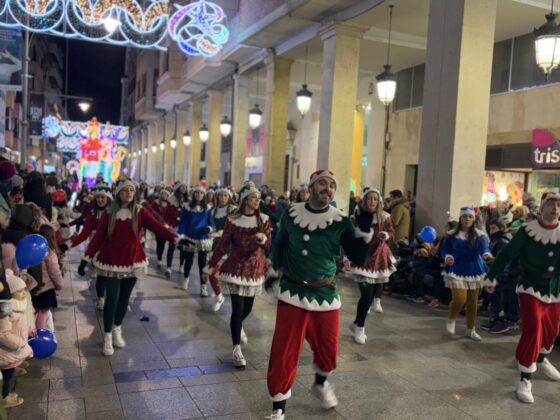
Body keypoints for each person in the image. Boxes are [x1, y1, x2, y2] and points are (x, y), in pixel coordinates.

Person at [265, 169, 373, 420]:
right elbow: (280, 244)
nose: (328, 189)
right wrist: (273, 269)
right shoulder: (292, 214)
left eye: (332, 185)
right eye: (322, 184)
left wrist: (365, 228)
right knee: (284, 351)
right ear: (310, 188)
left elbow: (358, 256)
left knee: (328, 349)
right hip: (292, 291)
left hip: (325, 293)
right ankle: (278, 407)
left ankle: (321, 383)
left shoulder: (339, 220)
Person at [80, 180, 191, 356]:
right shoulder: (108, 214)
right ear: (118, 193)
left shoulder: (140, 211)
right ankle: (107, 336)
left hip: (132, 260)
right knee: (112, 299)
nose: (129, 193)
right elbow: (98, 237)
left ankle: (117, 329)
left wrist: (177, 239)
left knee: (124, 300)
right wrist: (85, 259)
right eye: (125, 190)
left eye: (132, 190)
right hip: (111, 260)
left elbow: (158, 227)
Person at [486, 191, 560, 404]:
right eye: (551, 204)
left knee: (552, 329)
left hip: (556, 289)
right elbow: (507, 254)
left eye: (558, 205)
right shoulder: (527, 231)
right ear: (541, 208)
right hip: (530, 287)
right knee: (533, 328)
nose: (555, 209)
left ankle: (542, 358)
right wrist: (492, 277)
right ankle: (525, 378)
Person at [203, 186, 272, 367]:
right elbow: (223, 245)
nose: (258, 201)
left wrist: (264, 240)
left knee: (247, 309)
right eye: (254, 198)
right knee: (237, 309)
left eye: (259, 198)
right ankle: (236, 349)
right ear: (245, 200)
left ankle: (237, 326)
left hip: (254, 271)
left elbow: (269, 246)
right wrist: (209, 267)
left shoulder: (264, 220)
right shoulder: (233, 220)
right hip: (235, 269)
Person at [344, 187, 395, 344]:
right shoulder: (356, 217)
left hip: (379, 258)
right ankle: (360, 327)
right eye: (369, 198)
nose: (372, 201)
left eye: (375, 199)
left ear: (378, 201)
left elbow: (393, 234)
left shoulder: (385, 217)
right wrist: (346, 257)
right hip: (361, 259)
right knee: (366, 294)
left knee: (371, 294)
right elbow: (348, 239)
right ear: (364, 200)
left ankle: (356, 323)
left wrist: (386, 235)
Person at [442, 207, 493, 341]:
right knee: (459, 299)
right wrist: (447, 256)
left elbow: (484, 249)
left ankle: (471, 330)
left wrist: (487, 255)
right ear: (460, 218)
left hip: (475, 269)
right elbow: (445, 249)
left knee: (472, 301)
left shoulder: (479, 234)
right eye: (465, 217)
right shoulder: (452, 234)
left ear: (473, 219)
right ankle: (451, 318)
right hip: (457, 269)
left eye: (470, 217)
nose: (467, 219)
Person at [60, 183, 112, 310]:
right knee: (102, 274)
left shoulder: (114, 213)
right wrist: (66, 246)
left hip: (113, 248)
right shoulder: (92, 213)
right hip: (96, 247)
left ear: (108, 199)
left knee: (113, 276)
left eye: (103, 197)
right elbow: (84, 234)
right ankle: (101, 298)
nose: (100, 199)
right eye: (98, 197)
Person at [0, 271, 32, 408]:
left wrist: (30, 330)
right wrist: (20, 344)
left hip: (12, 350)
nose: (24, 293)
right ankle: (4, 398)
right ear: (10, 294)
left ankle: (5, 394)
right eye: (19, 291)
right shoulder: (6, 312)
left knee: (9, 373)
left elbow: (21, 325)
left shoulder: (17, 307)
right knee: (6, 376)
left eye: (24, 290)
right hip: (6, 352)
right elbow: (3, 334)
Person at [482, 220, 518, 334]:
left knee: (499, 299)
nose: (491, 230)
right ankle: (496, 319)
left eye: (494, 228)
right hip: (495, 273)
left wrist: (499, 275)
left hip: (501, 275)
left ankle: (501, 322)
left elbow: (504, 260)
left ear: (501, 228)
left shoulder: (502, 241)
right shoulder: (495, 240)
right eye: (490, 228)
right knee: (494, 299)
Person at [178, 186, 214, 295]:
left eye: (201, 193)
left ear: (204, 195)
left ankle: (203, 286)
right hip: (190, 236)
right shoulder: (187, 207)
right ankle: (186, 278)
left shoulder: (207, 208)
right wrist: (180, 235)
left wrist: (209, 228)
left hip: (203, 237)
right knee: (188, 260)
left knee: (202, 263)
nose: (199, 195)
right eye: (197, 193)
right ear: (193, 194)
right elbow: (183, 222)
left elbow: (211, 222)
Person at [206, 188, 237, 311]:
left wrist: (219, 233)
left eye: (225, 196)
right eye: (221, 196)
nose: (223, 198)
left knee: (233, 276)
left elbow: (235, 229)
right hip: (217, 246)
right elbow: (211, 225)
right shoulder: (213, 211)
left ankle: (237, 305)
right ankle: (219, 297)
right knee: (212, 272)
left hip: (232, 246)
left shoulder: (234, 211)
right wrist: (209, 230)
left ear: (229, 197)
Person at [32, 225, 64, 331]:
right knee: (43, 312)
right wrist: (59, 285)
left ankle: (36, 331)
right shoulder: (50, 254)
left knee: (36, 312)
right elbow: (55, 273)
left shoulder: (34, 251)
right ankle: (40, 333)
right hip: (46, 289)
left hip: (35, 287)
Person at [151, 189, 180, 277]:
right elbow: (152, 213)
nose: (164, 195)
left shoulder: (171, 204)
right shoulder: (155, 202)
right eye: (162, 194)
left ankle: (169, 267)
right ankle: (159, 259)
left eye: (166, 194)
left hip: (171, 226)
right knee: (160, 244)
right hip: (160, 226)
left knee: (171, 246)